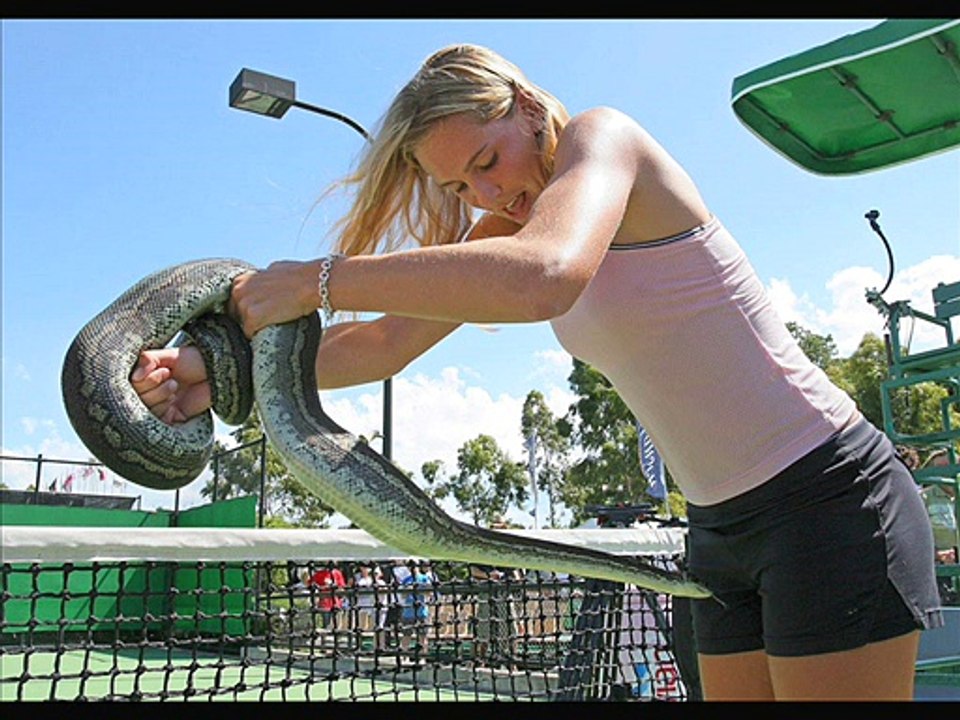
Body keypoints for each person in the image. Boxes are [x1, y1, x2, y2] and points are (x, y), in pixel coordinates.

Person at [129, 43, 943, 700]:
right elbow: (380, 344)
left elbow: (545, 273)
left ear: (524, 104)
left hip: (831, 495)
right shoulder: (509, 229)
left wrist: (315, 279)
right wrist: (209, 375)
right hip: (720, 532)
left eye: (488, 159)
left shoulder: (604, 138)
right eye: (459, 183)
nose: (488, 190)